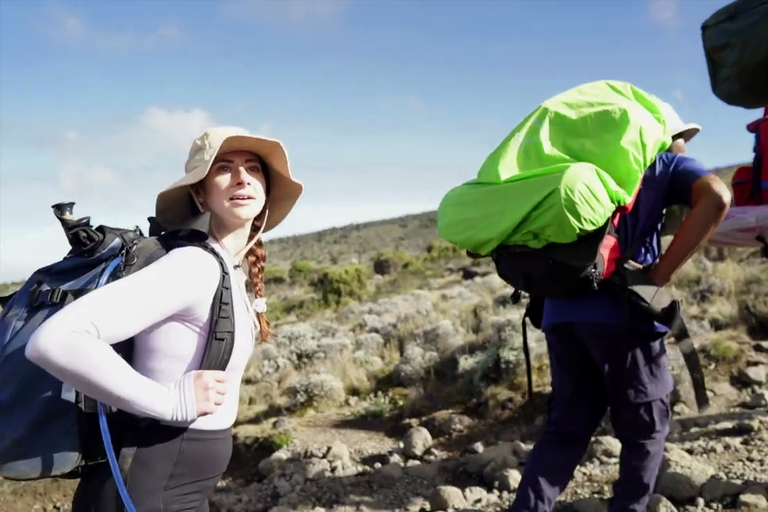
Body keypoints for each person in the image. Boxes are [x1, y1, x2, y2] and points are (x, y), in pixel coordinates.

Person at [24, 126, 304, 511]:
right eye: (224, 168)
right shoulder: (194, 266)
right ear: (199, 193)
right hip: (146, 488)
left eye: (253, 169)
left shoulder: (229, 269)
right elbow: (54, 341)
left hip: (177, 489)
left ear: (266, 188)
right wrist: (167, 403)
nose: (242, 177)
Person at [507, 103, 732, 512]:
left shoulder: (573, 171)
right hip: (624, 316)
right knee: (645, 429)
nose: (683, 147)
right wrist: (660, 274)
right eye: (680, 139)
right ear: (659, 136)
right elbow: (717, 196)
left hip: (560, 313)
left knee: (564, 430)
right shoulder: (662, 163)